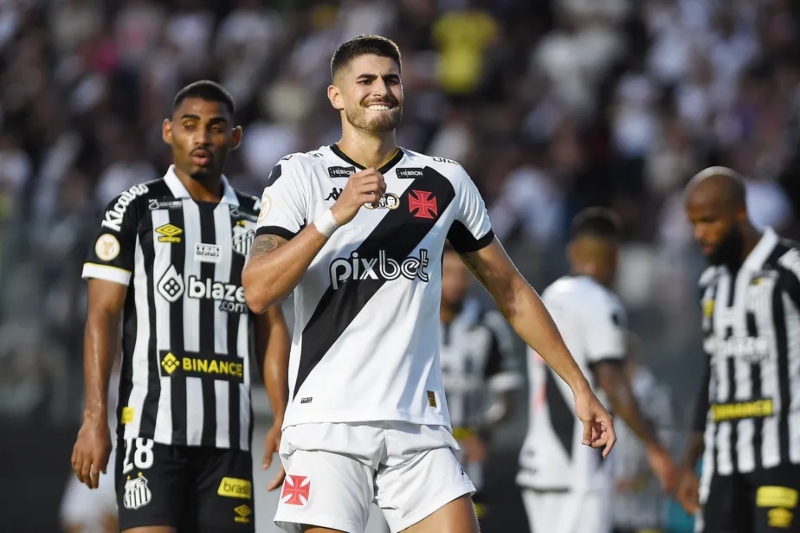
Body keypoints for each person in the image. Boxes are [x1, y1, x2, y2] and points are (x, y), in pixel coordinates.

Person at [242, 34, 616, 533]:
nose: (381, 89)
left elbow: (511, 291)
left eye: (391, 80)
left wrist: (579, 386)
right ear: (336, 96)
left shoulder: (443, 181)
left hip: (418, 423)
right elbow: (258, 290)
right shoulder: (300, 175)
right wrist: (333, 217)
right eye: (366, 80)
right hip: (328, 423)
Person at [70, 80, 290, 533]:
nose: (202, 137)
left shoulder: (258, 220)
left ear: (235, 137)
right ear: (169, 131)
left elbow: (270, 324)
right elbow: (102, 315)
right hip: (150, 432)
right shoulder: (133, 209)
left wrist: (282, 416)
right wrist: (94, 418)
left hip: (229, 437)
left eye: (215, 127)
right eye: (190, 125)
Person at [516, 208, 676, 533]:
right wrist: (655, 447)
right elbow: (613, 383)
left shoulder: (547, 297)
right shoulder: (600, 301)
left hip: (540, 462)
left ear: (572, 252)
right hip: (580, 466)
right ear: (616, 256)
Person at [676, 166, 800, 533]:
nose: (700, 234)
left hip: (784, 455)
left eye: (709, 221)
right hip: (723, 461)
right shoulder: (710, 283)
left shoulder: (790, 268)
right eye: (694, 224)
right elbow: (713, 372)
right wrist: (690, 460)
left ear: (740, 212)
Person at [439, 242, 523, 521]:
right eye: (448, 272)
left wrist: (483, 434)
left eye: (463, 274)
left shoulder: (488, 326)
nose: (455, 282)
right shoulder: (412, 320)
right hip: (418, 449)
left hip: (468, 455)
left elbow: (508, 396)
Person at [612, 332, 676, 533]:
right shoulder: (603, 397)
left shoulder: (655, 397)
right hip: (611, 514)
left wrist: (634, 481)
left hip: (646, 514)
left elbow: (666, 449)